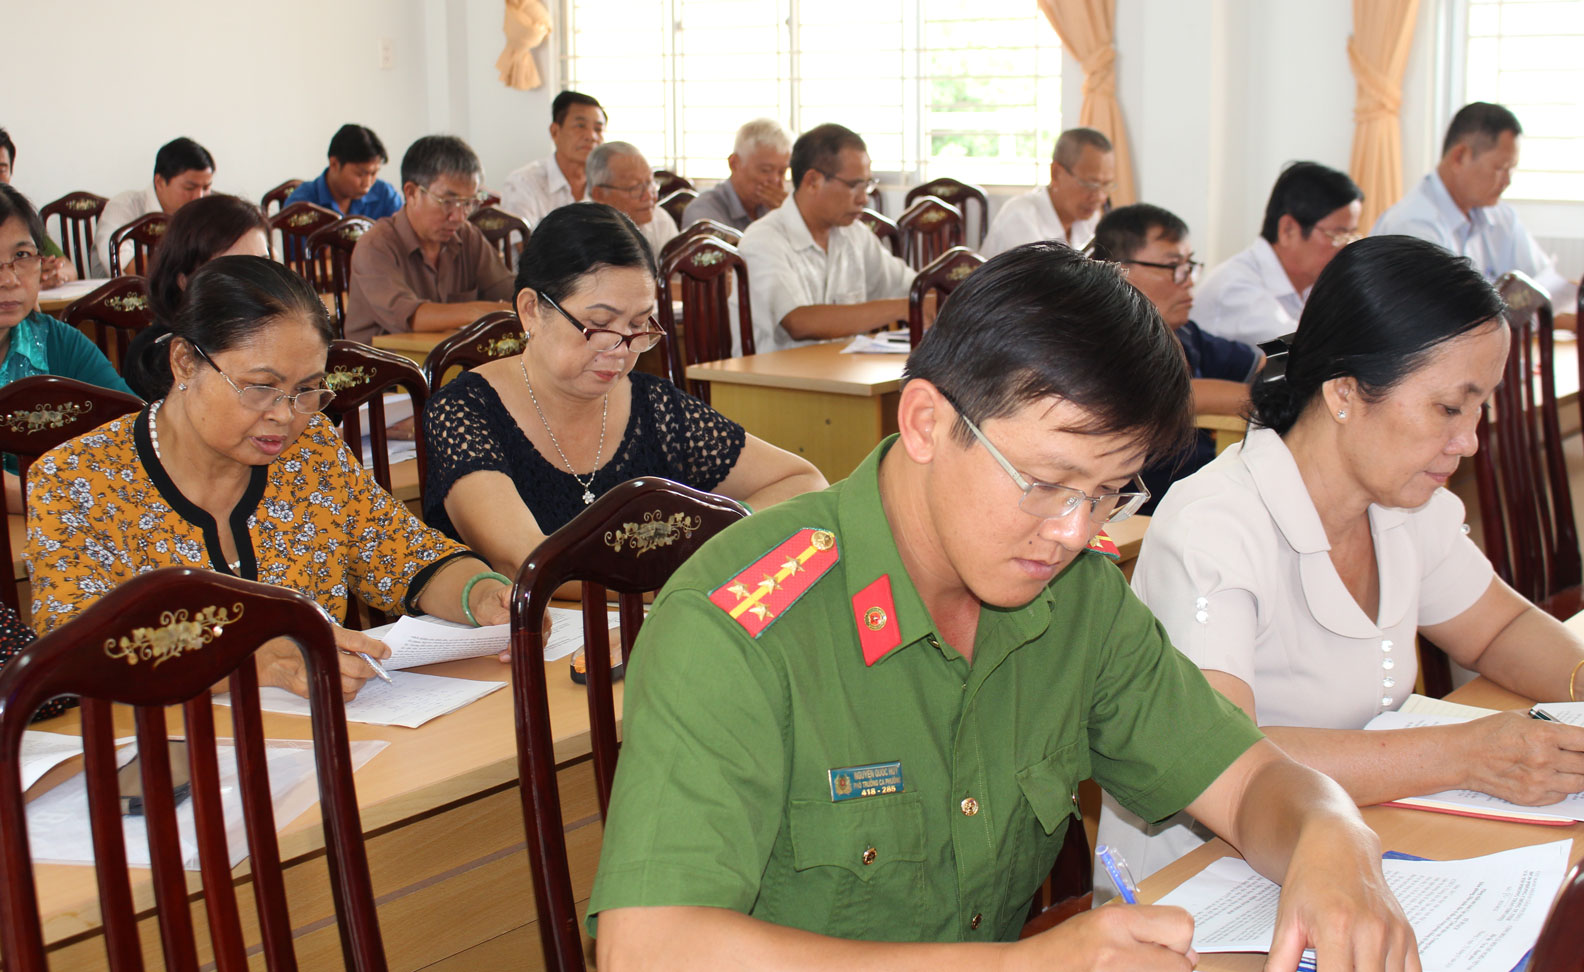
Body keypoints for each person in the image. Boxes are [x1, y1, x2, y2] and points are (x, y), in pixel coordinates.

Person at [587, 242, 1415, 970]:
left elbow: (1247, 780)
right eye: (1046, 483)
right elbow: (649, 948)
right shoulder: (741, 624)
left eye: (1106, 495)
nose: (1069, 532)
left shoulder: (1074, 598)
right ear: (925, 422)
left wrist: (1328, 831)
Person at [1102, 234, 1584, 883]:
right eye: (1447, 407)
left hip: (1363, 839)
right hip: (1207, 886)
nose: (1468, 442)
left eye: (1479, 409)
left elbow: (1499, 628)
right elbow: (1227, 758)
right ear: (1345, 392)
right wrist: (1468, 753)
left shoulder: (1401, 501)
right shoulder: (1217, 526)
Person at [27, 256, 517, 701]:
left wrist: (482, 596)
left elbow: (403, 553)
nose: (286, 416)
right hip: (170, 758)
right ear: (184, 362)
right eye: (262, 387)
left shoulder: (311, 450)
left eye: (306, 390)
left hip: (331, 745)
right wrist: (259, 661)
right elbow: (75, 656)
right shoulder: (76, 479)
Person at [423, 202, 825, 571]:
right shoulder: (465, 412)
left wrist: (710, 539)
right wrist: (668, 567)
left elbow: (804, 483)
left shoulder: (655, 407)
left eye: (637, 325)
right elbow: (527, 561)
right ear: (531, 310)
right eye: (599, 323)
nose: (620, 348)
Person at [1090, 203, 1261, 513]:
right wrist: (1270, 398)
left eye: (1190, 265)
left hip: (1203, 496)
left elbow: (1259, 366)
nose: (1188, 280)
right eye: (1173, 267)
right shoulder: (1102, 343)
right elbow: (1178, 397)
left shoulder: (1186, 334)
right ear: (1118, 269)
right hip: (1140, 510)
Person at [1375, 102, 1577, 329]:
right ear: (1459, 156)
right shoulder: (1412, 227)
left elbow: (1542, 285)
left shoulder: (1500, 216)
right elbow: (1438, 327)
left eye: (1512, 168)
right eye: (1500, 168)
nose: (1507, 180)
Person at [0, 184, 135, 507]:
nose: (9, 279)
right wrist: (72, 493)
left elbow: (132, 429)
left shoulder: (58, 342)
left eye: (21, 256)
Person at [737, 123, 920, 354]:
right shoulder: (763, 239)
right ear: (813, 181)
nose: (864, 198)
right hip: (773, 385)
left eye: (867, 185)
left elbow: (913, 287)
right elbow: (799, 322)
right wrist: (905, 307)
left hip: (842, 377)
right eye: (855, 185)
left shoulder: (855, 235)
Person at [344, 135, 512, 345]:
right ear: (412, 193)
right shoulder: (375, 245)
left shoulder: (467, 236)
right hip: (382, 371)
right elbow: (411, 316)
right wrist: (485, 310)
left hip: (448, 366)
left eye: (468, 203)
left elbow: (510, 291)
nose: (459, 216)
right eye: (448, 201)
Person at [1196, 162, 1363, 346]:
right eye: (1338, 235)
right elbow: (1308, 353)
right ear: (1288, 229)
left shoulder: (1311, 285)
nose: (1347, 247)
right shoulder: (1235, 288)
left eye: (1351, 235)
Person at [123, 193, 272, 400]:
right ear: (184, 280)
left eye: (263, 264)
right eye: (234, 269)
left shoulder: (278, 332)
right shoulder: (155, 356)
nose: (256, 279)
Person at [981, 128, 1114, 258]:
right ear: (1056, 173)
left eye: (1106, 185)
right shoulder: (1020, 216)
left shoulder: (1090, 218)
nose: (1100, 198)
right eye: (1089, 185)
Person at [93, 136, 215, 277]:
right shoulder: (123, 206)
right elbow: (127, 265)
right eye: (189, 188)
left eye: (206, 187)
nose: (199, 196)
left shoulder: (211, 208)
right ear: (160, 182)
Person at [500, 91, 607, 228]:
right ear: (555, 131)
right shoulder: (524, 183)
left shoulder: (608, 184)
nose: (591, 136)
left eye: (598, 129)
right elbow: (523, 245)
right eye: (580, 126)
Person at [681, 118, 792, 231]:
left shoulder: (779, 208)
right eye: (765, 170)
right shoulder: (704, 210)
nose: (775, 180)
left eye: (782, 172)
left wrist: (791, 217)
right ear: (734, 164)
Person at [0, 127, 76, 288]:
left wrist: (51, 273)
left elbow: (70, 269)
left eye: (1, 170)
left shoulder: (21, 218)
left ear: (11, 173)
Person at [283, 123, 403, 219]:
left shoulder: (385, 195)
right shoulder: (302, 203)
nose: (367, 184)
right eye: (360, 174)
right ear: (334, 164)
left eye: (373, 173)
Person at [586, 142, 678, 256]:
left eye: (649, 183)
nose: (648, 196)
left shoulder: (661, 221)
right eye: (635, 188)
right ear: (599, 195)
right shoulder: (577, 230)